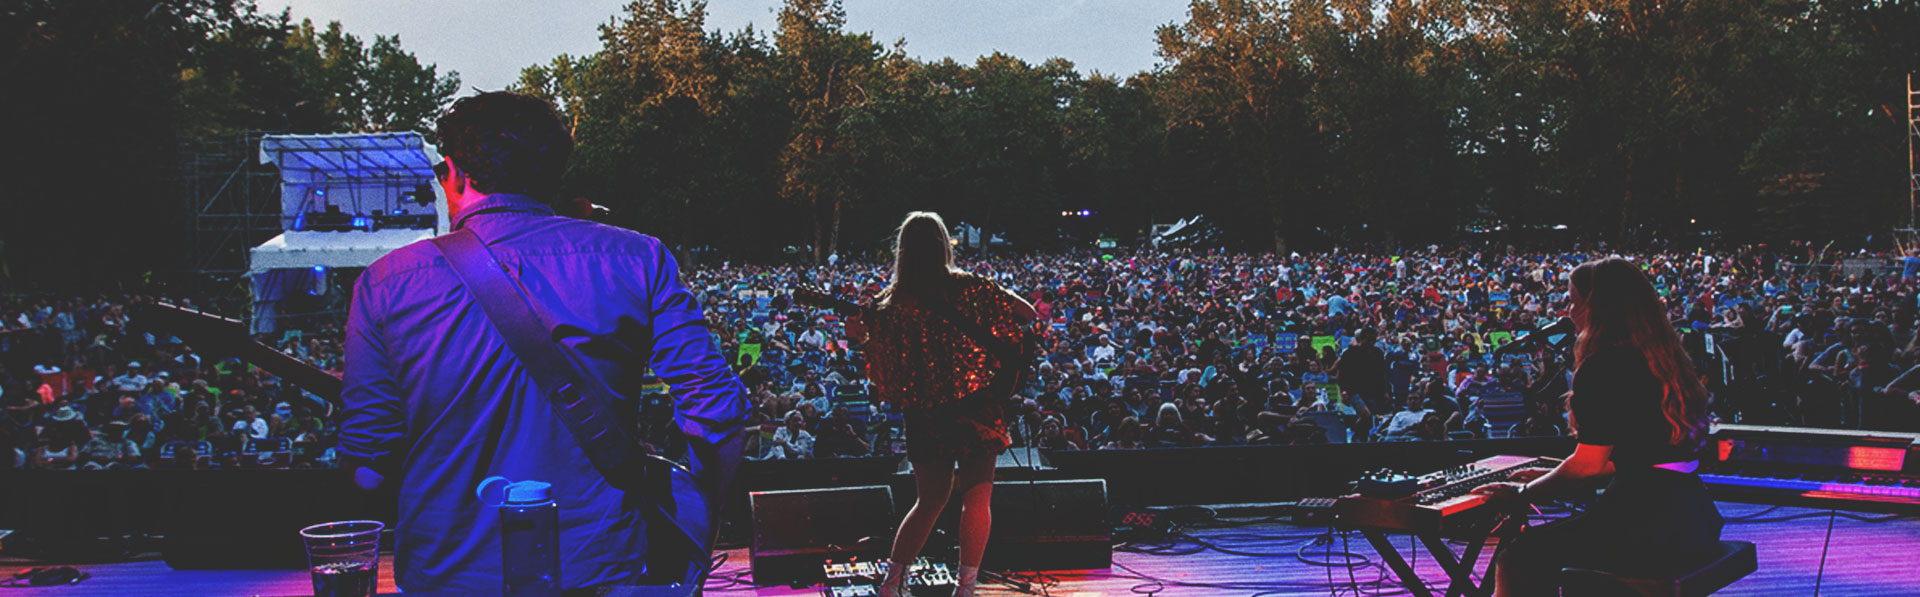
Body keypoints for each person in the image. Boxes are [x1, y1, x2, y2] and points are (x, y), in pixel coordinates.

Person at [338, 91, 749, 593]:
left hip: (448, 575)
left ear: (455, 174)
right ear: (552, 176)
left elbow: (368, 469)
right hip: (606, 570)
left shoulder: (385, 281)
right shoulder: (638, 258)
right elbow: (717, 414)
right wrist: (697, 522)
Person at [1471, 257, 1722, 596]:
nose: (1568, 312)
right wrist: (1551, 476)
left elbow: (1589, 466)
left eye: (1574, 301)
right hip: (1691, 516)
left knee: (1518, 558)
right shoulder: (1663, 358)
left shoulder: (1604, 366)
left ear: (1598, 307)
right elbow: (1644, 454)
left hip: (1644, 523)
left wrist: (1522, 494)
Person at [843, 211, 1037, 597]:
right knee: (978, 497)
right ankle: (965, 589)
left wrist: (858, 339)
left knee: (929, 500)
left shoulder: (889, 303)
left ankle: (892, 582)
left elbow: (883, 376)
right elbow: (1027, 314)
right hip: (978, 405)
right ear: (943, 244)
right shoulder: (972, 287)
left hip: (925, 413)